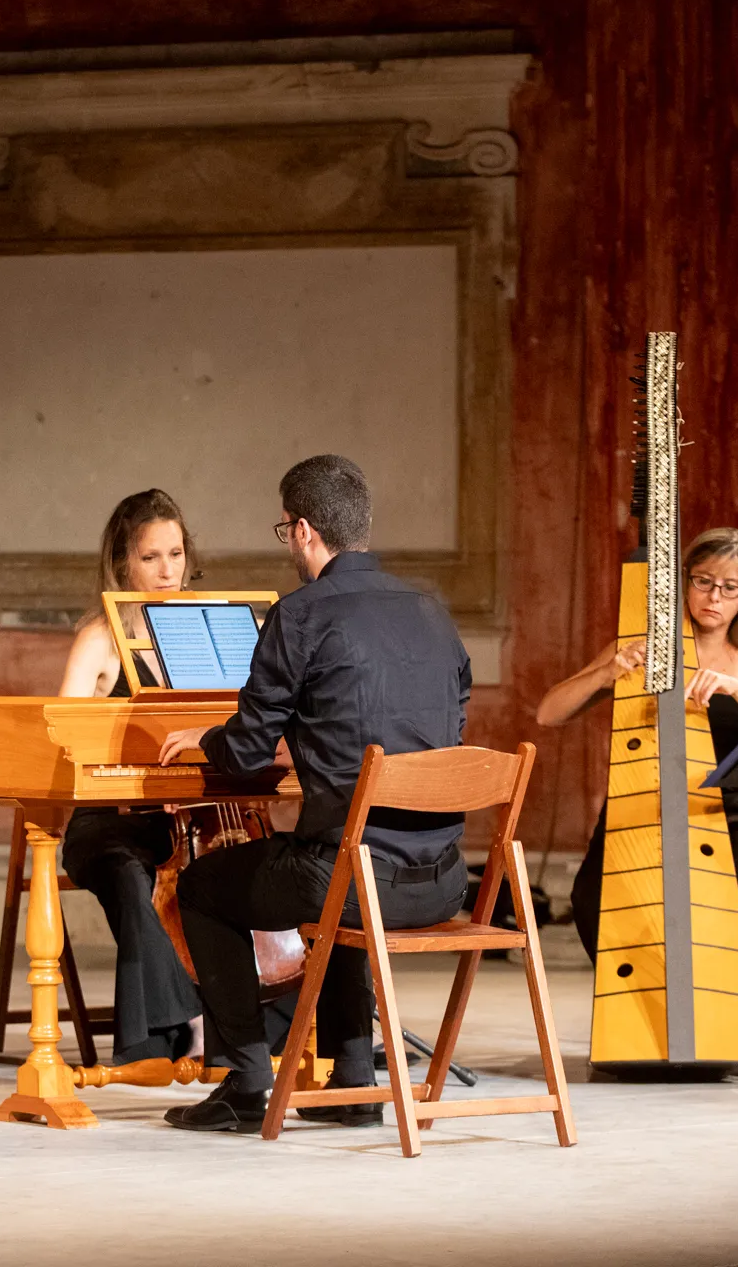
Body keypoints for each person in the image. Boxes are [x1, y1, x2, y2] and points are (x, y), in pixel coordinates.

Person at [156, 455, 474, 1132]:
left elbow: (243, 753)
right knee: (338, 860)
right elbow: (451, 723)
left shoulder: (299, 616)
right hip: (446, 881)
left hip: (357, 881)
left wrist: (210, 737)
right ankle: (354, 1080)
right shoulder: (431, 612)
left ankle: (245, 1082)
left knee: (206, 888)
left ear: (301, 530)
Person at [539, 527, 738, 1064]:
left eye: (730, 588)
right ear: (683, 583)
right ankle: (645, 1008)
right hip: (644, 801)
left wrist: (735, 688)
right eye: (703, 583)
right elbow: (549, 712)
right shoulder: (643, 641)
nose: (715, 599)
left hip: (725, 803)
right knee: (589, 896)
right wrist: (606, 673)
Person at [56, 490, 204, 1065]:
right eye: (151, 558)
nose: (169, 571)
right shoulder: (99, 638)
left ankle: (276, 1020)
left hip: (190, 817)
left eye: (176, 553)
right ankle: (186, 1018)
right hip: (109, 818)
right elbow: (62, 739)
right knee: (127, 875)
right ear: (123, 564)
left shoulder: (199, 629)